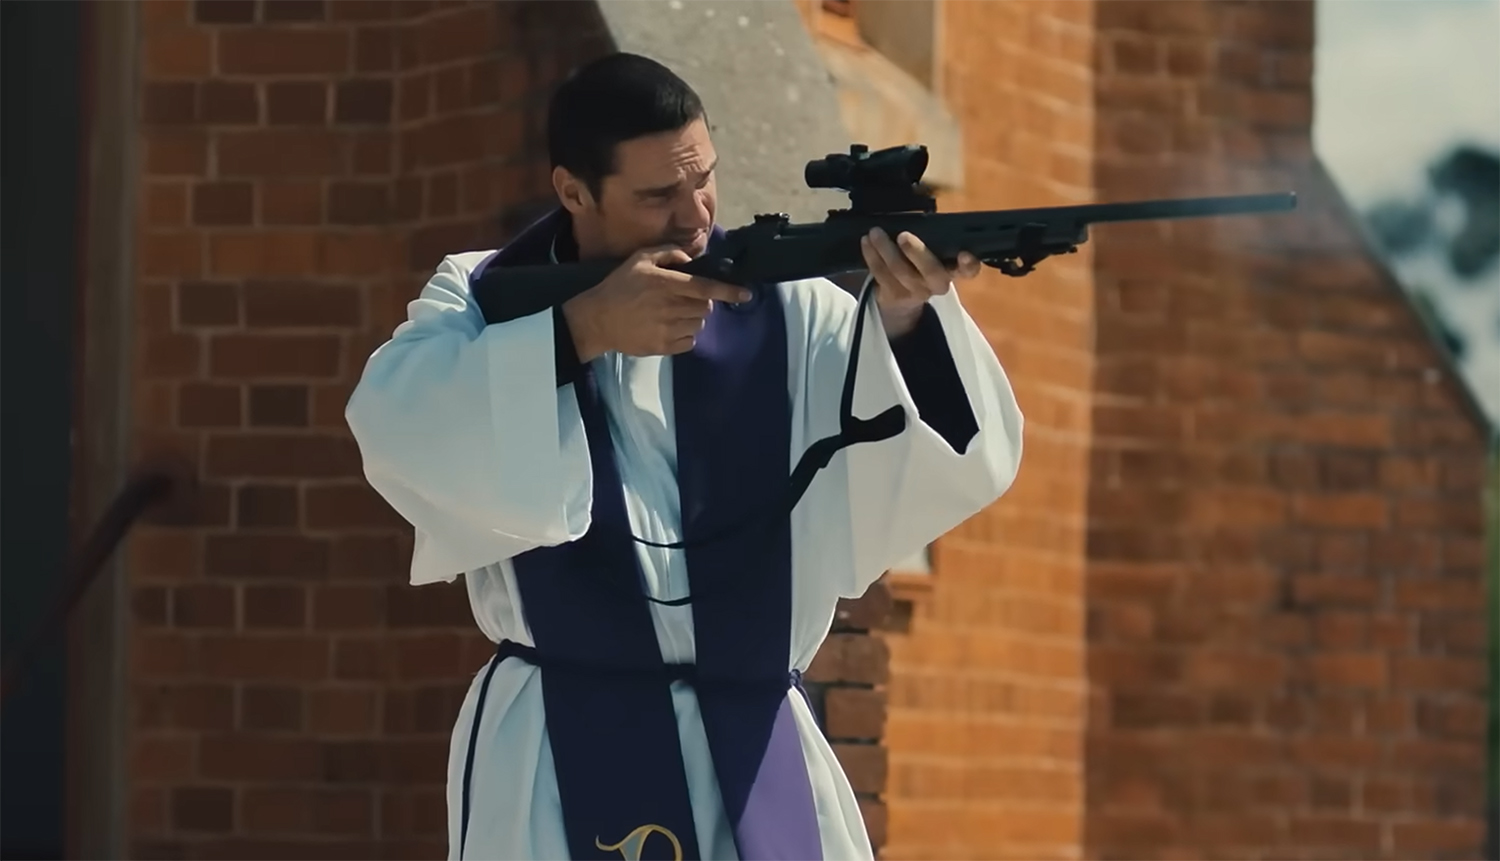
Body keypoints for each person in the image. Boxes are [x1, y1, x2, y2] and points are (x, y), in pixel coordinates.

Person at [346, 52, 1024, 861]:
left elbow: (919, 456)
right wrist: (580, 333)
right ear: (574, 192)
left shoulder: (792, 305)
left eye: (704, 177)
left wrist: (908, 314)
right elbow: (398, 419)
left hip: (753, 732)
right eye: (657, 195)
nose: (696, 212)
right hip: (561, 739)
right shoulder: (481, 293)